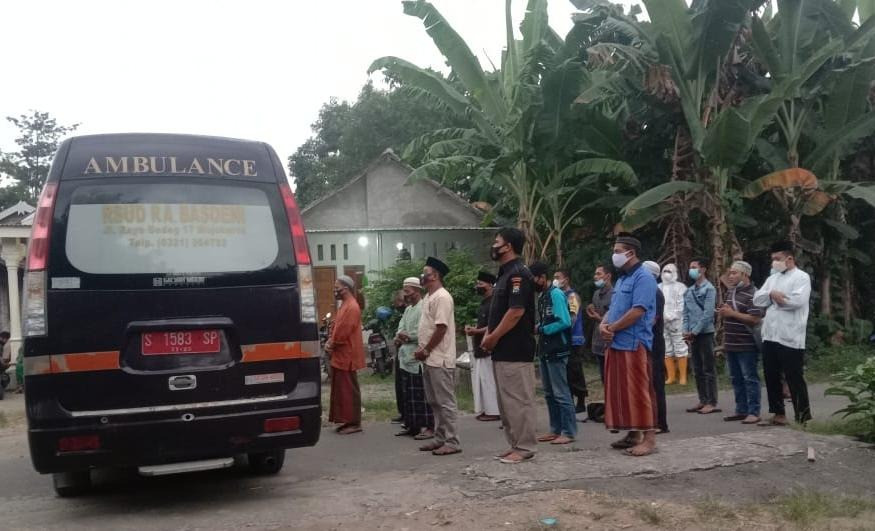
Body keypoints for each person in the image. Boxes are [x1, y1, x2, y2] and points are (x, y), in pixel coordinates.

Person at [480, 227, 538, 465]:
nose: (494, 246)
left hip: (515, 348)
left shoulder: (518, 274)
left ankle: (525, 446)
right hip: (503, 350)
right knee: (506, 402)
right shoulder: (504, 274)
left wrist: (493, 337)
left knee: (518, 400)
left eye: (497, 242)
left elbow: (515, 312)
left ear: (508, 247)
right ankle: (514, 443)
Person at [599, 233, 658, 457]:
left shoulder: (644, 277)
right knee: (623, 392)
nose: (614, 255)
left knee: (640, 391)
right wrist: (603, 325)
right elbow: (614, 308)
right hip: (616, 342)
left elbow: (638, 311)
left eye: (617, 251)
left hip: (634, 342)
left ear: (630, 253)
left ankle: (650, 438)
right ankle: (633, 433)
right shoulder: (623, 277)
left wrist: (612, 328)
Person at [753, 241, 813, 425]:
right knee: (771, 375)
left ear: (789, 258)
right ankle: (778, 413)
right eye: (772, 259)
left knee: (794, 376)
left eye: (777, 259)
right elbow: (758, 299)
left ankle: (803, 416)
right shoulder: (773, 278)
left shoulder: (801, 278)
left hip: (790, 335)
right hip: (771, 334)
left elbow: (796, 301)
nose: (774, 263)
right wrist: (773, 295)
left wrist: (778, 299)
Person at [415, 257, 461, 456]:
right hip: (429, 359)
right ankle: (440, 438)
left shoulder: (442, 297)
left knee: (445, 402)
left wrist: (426, 350)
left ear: (435, 275)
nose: (422, 275)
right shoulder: (428, 297)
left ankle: (452, 441)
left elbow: (441, 328)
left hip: (439, 357)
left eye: (426, 272)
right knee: (434, 401)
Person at [531, 261, 577, 445]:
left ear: (542, 277)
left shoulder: (556, 295)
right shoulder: (543, 296)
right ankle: (555, 429)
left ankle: (569, 431)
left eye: (534, 278)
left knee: (561, 392)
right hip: (545, 349)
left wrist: (542, 329)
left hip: (557, 348)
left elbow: (565, 321)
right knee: (549, 393)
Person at [718, 261, 764, 425]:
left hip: (747, 344)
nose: (730, 276)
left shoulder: (754, 294)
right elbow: (731, 315)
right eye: (730, 273)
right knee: (736, 378)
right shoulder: (731, 292)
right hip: (731, 343)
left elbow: (754, 318)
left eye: (734, 273)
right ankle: (741, 410)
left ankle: (754, 411)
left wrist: (732, 313)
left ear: (745, 275)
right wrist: (725, 313)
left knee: (749, 378)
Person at [393, 278, 435, 439]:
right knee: (407, 395)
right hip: (405, 357)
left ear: (417, 291)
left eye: (407, 291)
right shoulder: (409, 309)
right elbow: (401, 327)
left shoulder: (424, 307)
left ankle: (428, 427)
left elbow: (424, 332)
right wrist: (400, 336)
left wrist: (406, 336)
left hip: (417, 357)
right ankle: (413, 426)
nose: (405, 295)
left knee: (421, 395)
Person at [324, 276, 366, 435]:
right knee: (342, 389)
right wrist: (330, 340)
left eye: (337, 287)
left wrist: (332, 343)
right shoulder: (344, 305)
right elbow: (336, 327)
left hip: (348, 355)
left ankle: (354, 423)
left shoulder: (352, 307)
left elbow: (343, 331)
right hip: (341, 354)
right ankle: (346, 420)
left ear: (346, 288)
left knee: (349, 390)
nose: (335, 290)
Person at [683, 257, 719, 415]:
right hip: (692, 334)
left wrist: (695, 331)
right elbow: (685, 313)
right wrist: (686, 330)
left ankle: (712, 401)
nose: (691, 270)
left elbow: (708, 314)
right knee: (697, 368)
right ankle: (702, 399)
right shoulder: (689, 291)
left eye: (694, 267)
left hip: (705, 333)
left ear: (703, 269)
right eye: (690, 267)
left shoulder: (709, 289)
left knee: (708, 368)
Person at [465, 271, 501, 422]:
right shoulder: (483, 303)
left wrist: (476, 331)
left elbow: (494, 325)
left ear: (490, 284)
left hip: (489, 347)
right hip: (480, 347)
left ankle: (494, 411)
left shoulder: (495, 301)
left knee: (489, 381)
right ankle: (486, 409)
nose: (477, 286)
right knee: (482, 380)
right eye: (477, 283)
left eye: (481, 284)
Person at [554, 269, 587, 414]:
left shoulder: (572, 296)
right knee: (566, 372)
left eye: (557, 277)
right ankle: (570, 401)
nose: (554, 280)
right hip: (563, 340)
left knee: (575, 370)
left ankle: (581, 401)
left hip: (573, 339)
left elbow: (572, 318)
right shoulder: (559, 296)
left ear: (566, 280)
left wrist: (561, 330)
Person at [642, 261, 669, 434]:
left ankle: (661, 423)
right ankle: (649, 419)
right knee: (647, 383)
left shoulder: (656, 294)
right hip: (646, 342)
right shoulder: (647, 292)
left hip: (655, 343)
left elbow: (653, 319)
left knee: (656, 383)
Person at [659, 264, 688, 385]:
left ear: (675, 273)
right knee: (666, 348)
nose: (667, 273)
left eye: (669, 271)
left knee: (680, 347)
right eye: (665, 271)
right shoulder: (658, 287)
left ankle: (683, 377)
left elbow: (682, 305)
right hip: (662, 322)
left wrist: (673, 316)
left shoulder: (680, 287)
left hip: (677, 322)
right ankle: (671, 377)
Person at [585, 264, 613, 383]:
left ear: (608, 276)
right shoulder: (596, 294)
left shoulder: (615, 294)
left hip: (609, 341)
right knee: (603, 378)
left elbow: (615, 319)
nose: (595, 276)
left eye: (599, 274)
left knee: (611, 377)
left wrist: (599, 318)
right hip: (597, 341)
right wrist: (590, 310)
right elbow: (596, 313)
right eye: (595, 274)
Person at [391, 290, 408, 425]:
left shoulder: (410, 311)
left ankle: (406, 413)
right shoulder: (404, 314)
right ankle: (402, 412)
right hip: (400, 350)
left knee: (405, 385)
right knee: (399, 383)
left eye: (398, 303)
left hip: (407, 351)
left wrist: (400, 338)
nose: (397, 306)